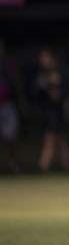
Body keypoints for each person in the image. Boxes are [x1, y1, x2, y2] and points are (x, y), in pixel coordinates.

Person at [33, 49, 69, 172]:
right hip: (48, 111)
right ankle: (66, 166)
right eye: (41, 58)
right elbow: (37, 93)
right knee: (59, 139)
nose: (43, 60)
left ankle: (43, 166)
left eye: (45, 57)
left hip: (55, 112)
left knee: (51, 139)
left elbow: (57, 96)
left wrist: (50, 86)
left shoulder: (57, 73)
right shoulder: (43, 74)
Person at [0, 39, 21, 172]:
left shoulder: (7, 64)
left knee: (11, 136)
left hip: (7, 104)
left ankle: (12, 163)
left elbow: (16, 83)